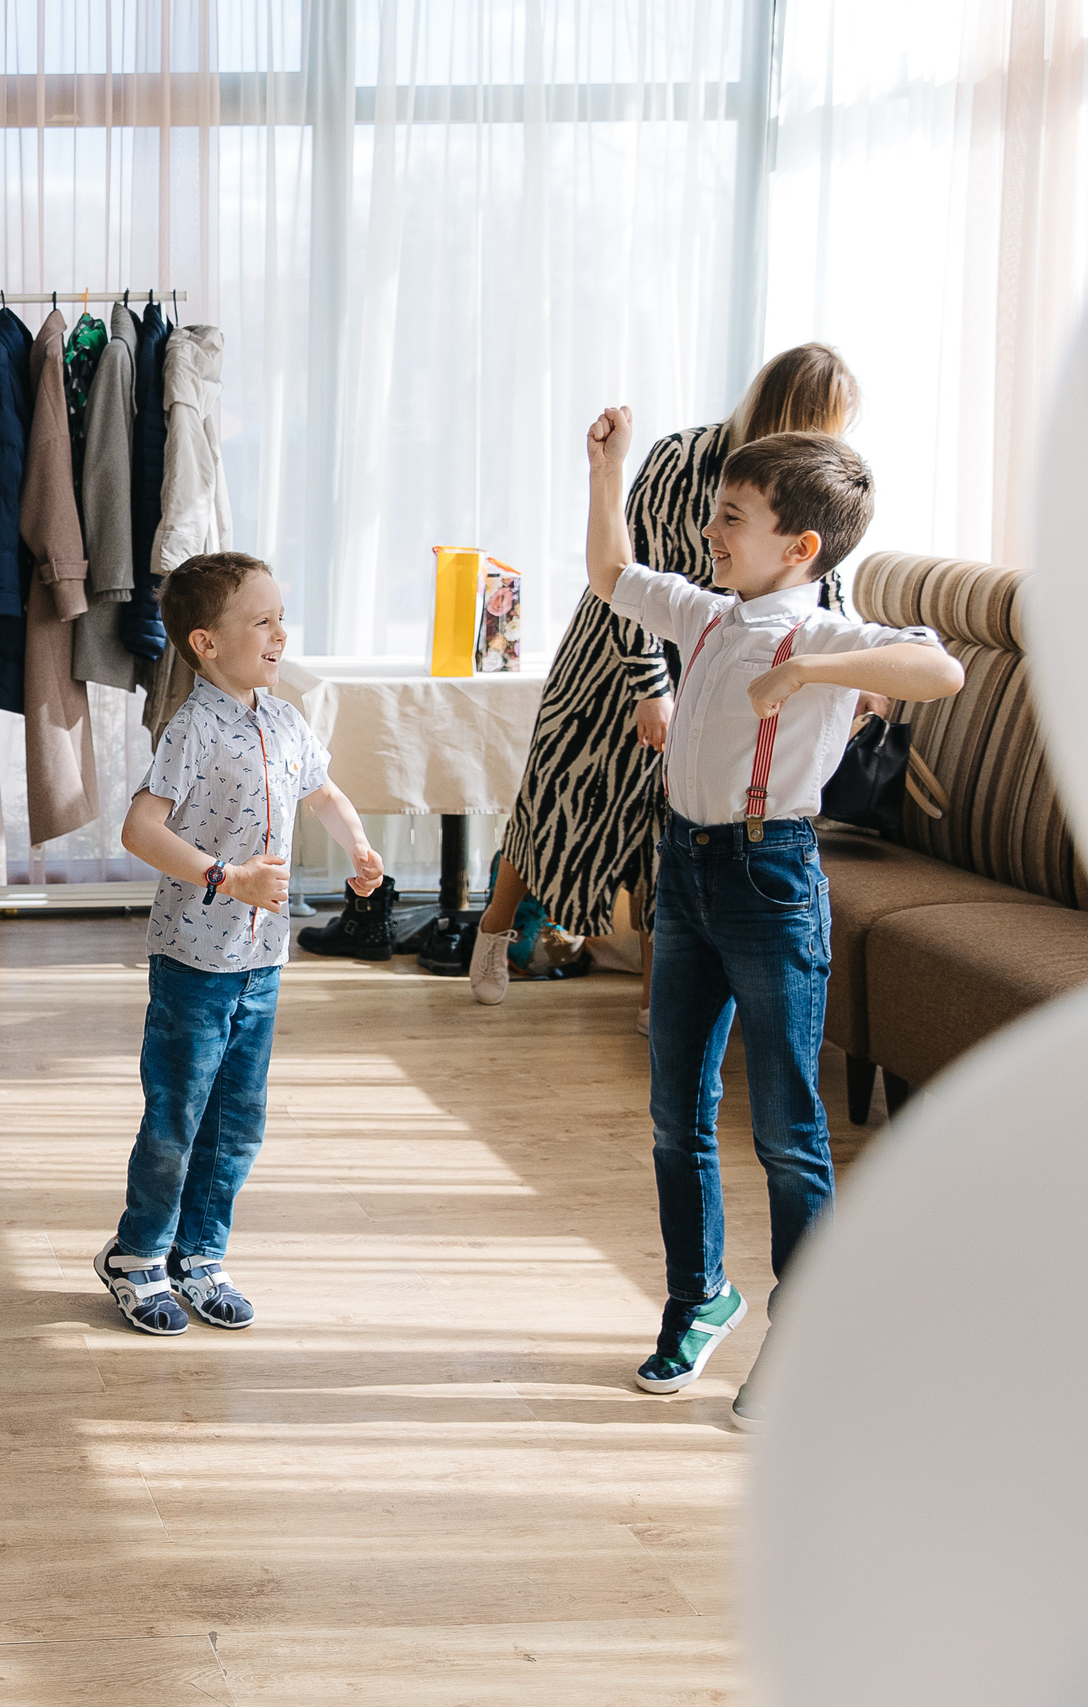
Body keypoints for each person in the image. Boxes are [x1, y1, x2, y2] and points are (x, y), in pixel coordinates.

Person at [580, 408, 961, 1426]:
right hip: (685, 872)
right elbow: (611, 576)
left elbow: (941, 668)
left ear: (798, 547)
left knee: (789, 1129)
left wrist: (812, 671)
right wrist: (606, 471)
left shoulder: (825, 628)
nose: (711, 534)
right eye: (714, 516)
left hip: (769, 880)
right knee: (677, 1113)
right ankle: (698, 1296)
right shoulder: (704, 613)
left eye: (731, 519)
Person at [472, 344, 866, 1013]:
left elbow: (822, 582)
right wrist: (649, 684)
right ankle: (492, 932)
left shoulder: (805, 487)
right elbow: (631, 571)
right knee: (554, 795)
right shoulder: (684, 456)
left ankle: (665, 1007)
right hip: (614, 655)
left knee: (670, 830)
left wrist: (847, 669)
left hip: (718, 664)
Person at [95, 551, 387, 1336]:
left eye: (280, 616)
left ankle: (201, 1254)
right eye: (261, 620)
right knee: (178, 1113)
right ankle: (137, 1254)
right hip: (195, 959)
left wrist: (358, 847)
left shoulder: (284, 719)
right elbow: (139, 828)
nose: (280, 633)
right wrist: (227, 876)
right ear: (206, 643)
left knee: (238, 1119)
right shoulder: (190, 728)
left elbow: (321, 789)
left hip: (260, 961)